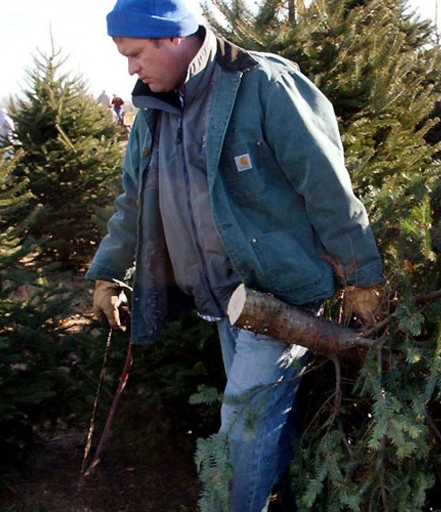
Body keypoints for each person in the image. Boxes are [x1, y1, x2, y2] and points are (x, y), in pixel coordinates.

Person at [87, 0, 385, 509]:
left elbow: (325, 183)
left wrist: (362, 274)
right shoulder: (152, 115)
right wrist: (109, 272)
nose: (130, 68)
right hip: (223, 302)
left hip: (281, 298)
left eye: (136, 54)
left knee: (241, 429)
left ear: (173, 38)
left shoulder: (261, 85)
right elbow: (133, 205)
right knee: (264, 424)